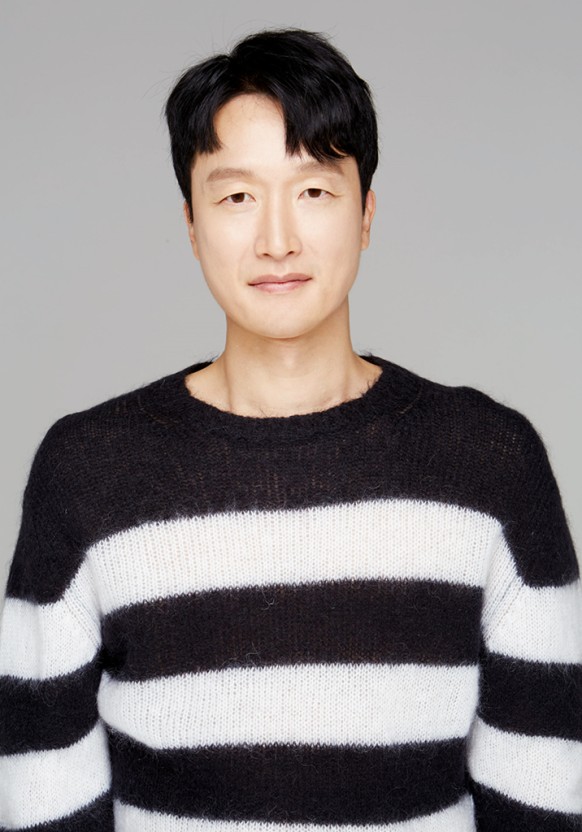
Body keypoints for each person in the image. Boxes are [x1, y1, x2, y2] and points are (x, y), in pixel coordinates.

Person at [0, 26, 580, 832]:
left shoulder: (489, 464)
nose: (277, 239)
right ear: (191, 223)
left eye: (314, 190)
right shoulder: (89, 472)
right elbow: (40, 792)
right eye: (237, 197)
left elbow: (544, 794)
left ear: (367, 213)